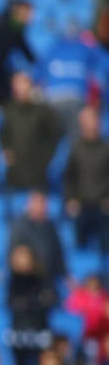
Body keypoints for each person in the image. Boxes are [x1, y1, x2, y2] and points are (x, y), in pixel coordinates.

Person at [62, 106, 109, 254]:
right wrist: (70, 199)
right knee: (79, 248)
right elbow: (69, 177)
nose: (90, 125)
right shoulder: (75, 149)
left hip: (103, 206)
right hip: (81, 206)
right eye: (85, 121)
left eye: (92, 120)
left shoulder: (106, 148)